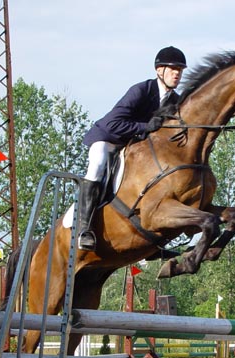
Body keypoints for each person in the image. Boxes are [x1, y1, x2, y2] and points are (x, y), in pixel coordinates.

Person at [78, 46, 187, 251]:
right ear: (159, 70)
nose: (177, 73)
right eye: (173, 68)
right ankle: (85, 228)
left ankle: (156, 241)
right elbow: (113, 123)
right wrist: (146, 126)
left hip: (135, 148)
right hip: (108, 139)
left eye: (180, 70)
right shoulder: (141, 90)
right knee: (98, 164)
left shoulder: (175, 101)